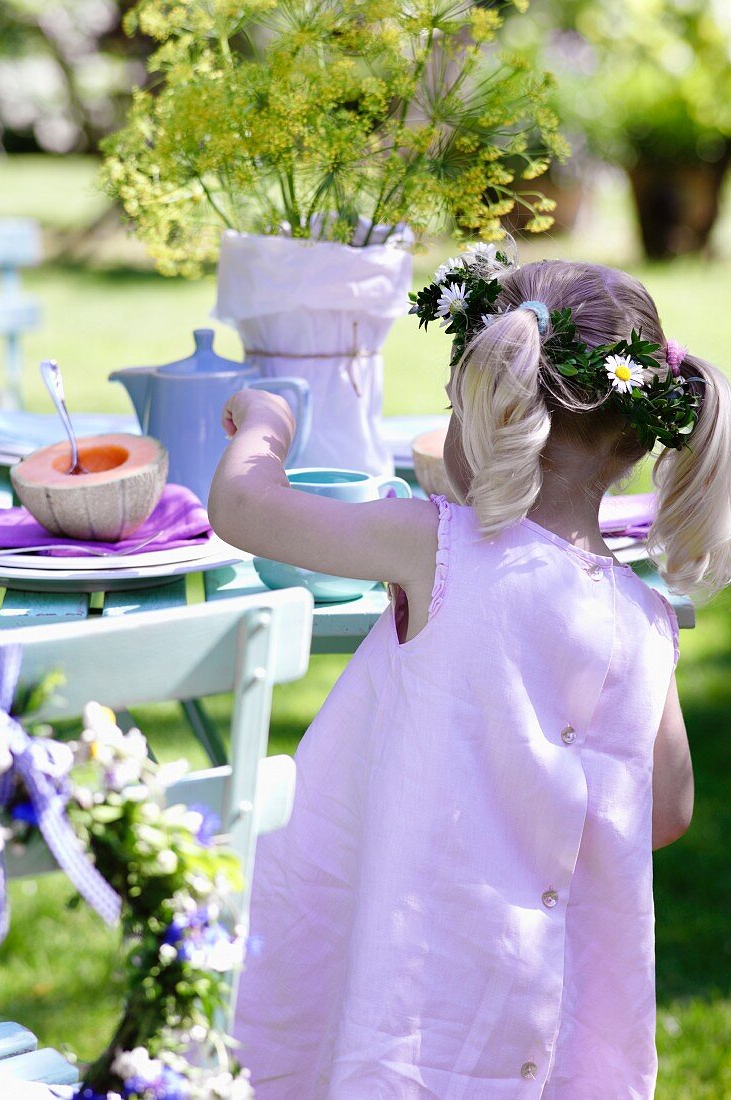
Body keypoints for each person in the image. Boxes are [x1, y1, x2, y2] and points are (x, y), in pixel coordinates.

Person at [207, 253, 731, 1099]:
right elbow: (664, 813)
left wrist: (265, 423)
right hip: (539, 1005)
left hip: (411, 990)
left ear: (488, 406)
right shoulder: (646, 619)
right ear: (635, 442)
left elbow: (242, 511)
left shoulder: (434, 545)